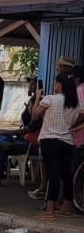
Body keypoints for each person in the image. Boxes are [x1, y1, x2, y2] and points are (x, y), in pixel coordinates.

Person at [29, 73, 84, 217]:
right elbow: (78, 118)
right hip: (67, 142)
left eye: (54, 83)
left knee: (53, 174)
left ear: (59, 85)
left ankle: (50, 209)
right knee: (66, 175)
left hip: (49, 140)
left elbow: (34, 115)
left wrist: (37, 98)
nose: (53, 86)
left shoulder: (50, 99)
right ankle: (65, 207)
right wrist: (70, 128)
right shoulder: (74, 103)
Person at [0, 78, 38, 184]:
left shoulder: (37, 117)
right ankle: (4, 143)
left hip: (29, 144)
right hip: (21, 139)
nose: (30, 86)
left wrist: (7, 132)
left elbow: (26, 130)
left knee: (0, 148)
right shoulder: (31, 103)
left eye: (33, 84)